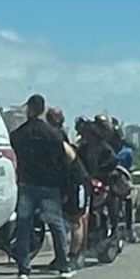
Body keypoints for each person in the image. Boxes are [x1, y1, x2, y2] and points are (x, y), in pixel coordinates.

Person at [9, 94, 74, 279]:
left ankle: (23, 268)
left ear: (29, 108)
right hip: (50, 186)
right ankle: (63, 265)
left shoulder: (18, 135)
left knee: (23, 227)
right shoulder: (53, 135)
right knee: (56, 226)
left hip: (27, 185)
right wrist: (65, 187)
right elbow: (63, 163)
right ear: (43, 110)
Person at [48, 108, 90, 267]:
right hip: (63, 183)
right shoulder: (54, 136)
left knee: (76, 219)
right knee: (60, 220)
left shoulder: (58, 138)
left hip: (77, 180)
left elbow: (68, 162)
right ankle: (62, 255)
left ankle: (73, 255)